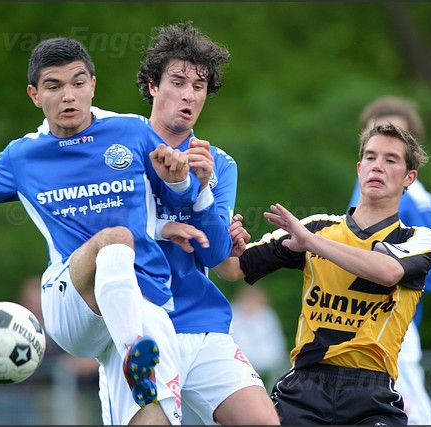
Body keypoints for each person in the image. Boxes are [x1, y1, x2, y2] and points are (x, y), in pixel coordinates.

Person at [0, 37, 212, 425]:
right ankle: (134, 353)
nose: (69, 95)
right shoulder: (23, 155)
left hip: (143, 301)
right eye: (54, 86)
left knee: (156, 417)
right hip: (71, 301)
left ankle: (134, 354)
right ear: (34, 95)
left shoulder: (130, 131)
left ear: (93, 85)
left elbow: (179, 199)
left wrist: (180, 181)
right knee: (115, 239)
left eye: (78, 83)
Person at [215, 123, 431, 425]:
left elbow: (387, 271)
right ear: (359, 168)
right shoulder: (317, 227)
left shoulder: (419, 239)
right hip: (305, 387)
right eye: (371, 158)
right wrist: (224, 242)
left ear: (409, 178)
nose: (378, 167)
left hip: (371, 393)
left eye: (391, 160)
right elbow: (231, 269)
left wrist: (311, 243)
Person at [121, 21, 279, 425]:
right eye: (178, 81)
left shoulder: (220, 164)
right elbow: (106, 230)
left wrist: (203, 189)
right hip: (141, 325)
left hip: (202, 322)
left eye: (200, 86)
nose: (189, 95)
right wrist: (161, 227)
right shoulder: (121, 149)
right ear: (153, 85)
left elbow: (215, 253)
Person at [348, 95, 431, 425]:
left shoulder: (415, 199)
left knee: (415, 418)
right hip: (356, 326)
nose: (381, 155)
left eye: (396, 138)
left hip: (393, 328)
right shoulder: (364, 188)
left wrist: (393, 272)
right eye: (373, 143)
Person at [230, 286, 289, 388]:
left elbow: (275, 339)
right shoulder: (234, 314)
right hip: (241, 355)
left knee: (283, 368)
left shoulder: (267, 314)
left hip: (267, 355)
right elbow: (234, 338)